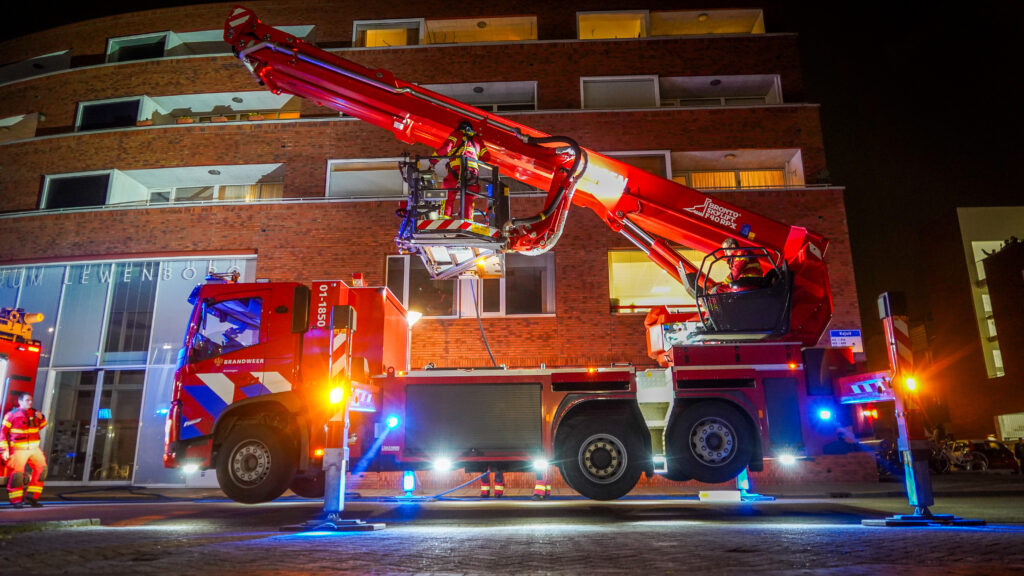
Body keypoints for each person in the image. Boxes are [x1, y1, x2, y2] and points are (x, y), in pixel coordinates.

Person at [431, 120, 490, 219]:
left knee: (449, 193)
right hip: (472, 173)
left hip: (456, 170)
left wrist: (432, 161)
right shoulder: (477, 139)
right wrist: (473, 156)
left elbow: (445, 149)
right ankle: (467, 219)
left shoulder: (456, 135)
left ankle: (445, 217)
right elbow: (486, 157)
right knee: (469, 197)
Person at [1, 393, 48, 508]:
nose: (30, 402)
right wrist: (4, 450)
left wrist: (42, 418)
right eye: (27, 400)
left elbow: (42, 425)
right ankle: (16, 500)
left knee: (42, 470)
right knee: (17, 475)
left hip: (34, 449)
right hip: (18, 449)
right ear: (20, 402)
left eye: (31, 400)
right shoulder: (11, 415)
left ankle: (32, 497)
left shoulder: (36, 413)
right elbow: (3, 432)